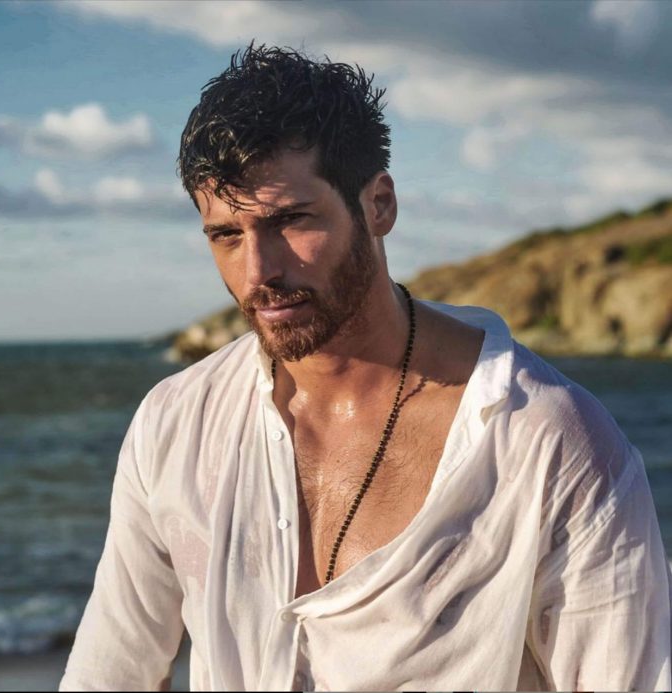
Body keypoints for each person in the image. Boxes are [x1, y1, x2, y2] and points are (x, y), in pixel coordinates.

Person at [60, 44, 671, 691]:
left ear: (378, 205)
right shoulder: (174, 422)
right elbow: (109, 674)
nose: (258, 270)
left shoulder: (549, 443)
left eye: (291, 220)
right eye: (227, 235)